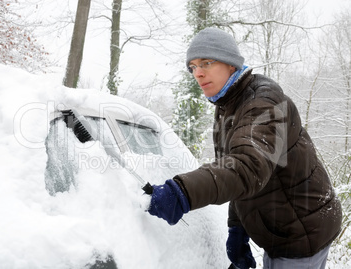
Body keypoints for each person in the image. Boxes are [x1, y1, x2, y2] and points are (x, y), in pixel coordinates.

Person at [147, 27, 342, 269]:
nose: (198, 73)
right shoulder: (228, 103)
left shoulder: (263, 103)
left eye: (206, 62)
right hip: (284, 227)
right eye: (193, 67)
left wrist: (181, 192)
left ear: (231, 64)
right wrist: (237, 226)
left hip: (300, 234)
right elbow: (235, 165)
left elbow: (247, 166)